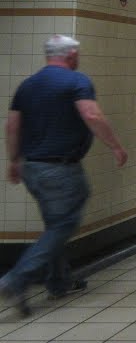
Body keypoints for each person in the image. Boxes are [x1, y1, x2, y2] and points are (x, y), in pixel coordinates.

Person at [1, 35, 127, 317]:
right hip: (61, 167)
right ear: (71, 54)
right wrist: (116, 146)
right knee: (64, 224)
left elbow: (12, 126)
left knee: (53, 224)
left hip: (32, 167)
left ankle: (58, 282)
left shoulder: (28, 85)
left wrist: (13, 160)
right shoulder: (76, 81)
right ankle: (15, 280)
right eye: (78, 53)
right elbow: (91, 115)